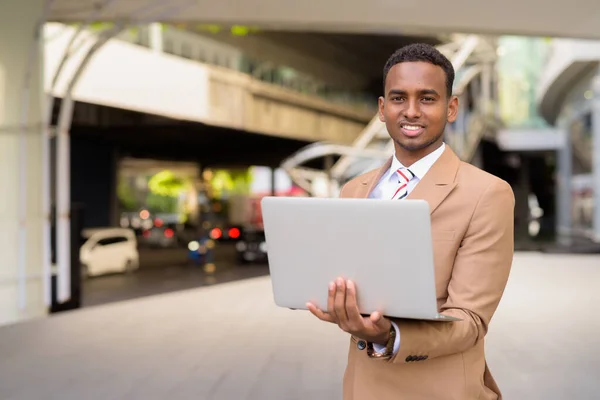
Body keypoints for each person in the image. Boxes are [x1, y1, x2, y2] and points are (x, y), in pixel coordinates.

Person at [307, 43, 515, 399]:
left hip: (442, 389)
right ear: (382, 108)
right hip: (364, 388)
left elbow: (470, 321)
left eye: (428, 98)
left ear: (451, 108)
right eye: (399, 98)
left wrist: (387, 334)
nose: (412, 111)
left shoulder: (487, 193)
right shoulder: (353, 190)